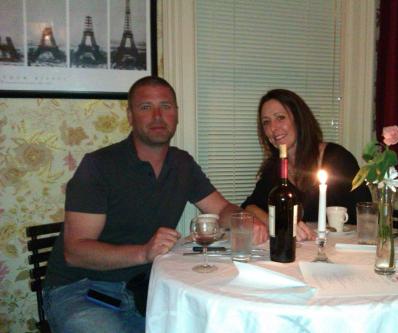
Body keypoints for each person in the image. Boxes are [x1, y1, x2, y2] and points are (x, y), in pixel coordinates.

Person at [43, 76, 268, 333]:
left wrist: (245, 221)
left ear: (177, 114)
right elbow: (75, 252)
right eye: (146, 107)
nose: (158, 116)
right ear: (130, 116)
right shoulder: (99, 166)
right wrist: (144, 252)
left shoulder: (182, 164)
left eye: (166, 106)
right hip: (81, 289)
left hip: (147, 286)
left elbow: (222, 209)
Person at [242, 89, 371, 241]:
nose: (273, 128)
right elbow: (249, 207)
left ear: (299, 119)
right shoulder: (275, 169)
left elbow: (366, 214)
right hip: (299, 255)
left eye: (280, 118)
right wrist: (273, 222)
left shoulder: (337, 158)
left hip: (341, 253)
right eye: (266, 122)